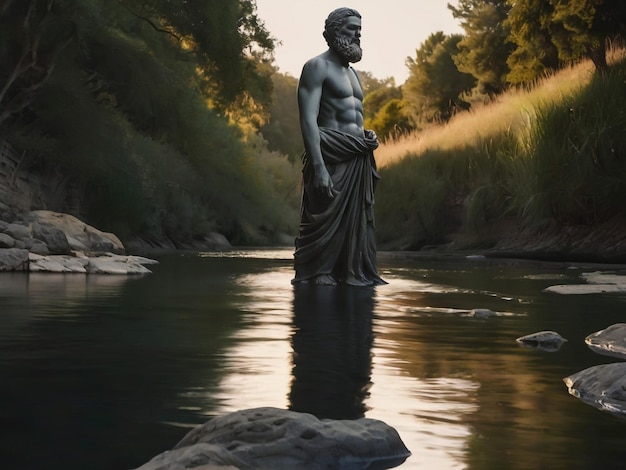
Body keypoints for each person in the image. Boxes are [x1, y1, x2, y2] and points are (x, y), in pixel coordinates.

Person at [292, 7, 385, 287]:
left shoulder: (354, 74)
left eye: (360, 29)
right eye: (351, 29)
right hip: (329, 156)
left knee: (357, 231)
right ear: (334, 32)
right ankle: (318, 280)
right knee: (321, 225)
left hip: (356, 158)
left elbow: (352, 117)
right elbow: (308, 120)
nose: (357, 34)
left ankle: (351, 273)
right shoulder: (317, 67)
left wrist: (365, 135)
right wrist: (318, 167)